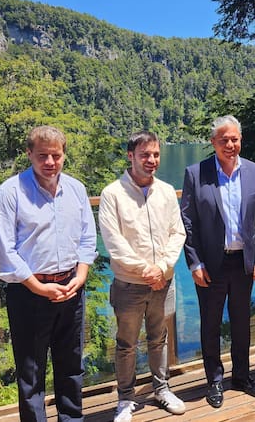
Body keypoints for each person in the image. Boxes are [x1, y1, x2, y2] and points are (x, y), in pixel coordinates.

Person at [0, 125, 98, 421]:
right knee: (31, 372)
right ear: (29, 154)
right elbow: (4, 249)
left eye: (56, 155)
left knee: (72, 365)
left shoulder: (76, 189)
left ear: (64, 155)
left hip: (71, 287)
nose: (50, 162)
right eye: (42, 156)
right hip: (29, 293)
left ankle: (72, 419)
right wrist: (38, 287)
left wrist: (82, 274)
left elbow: (88, 238)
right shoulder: (11, 192)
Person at [180, 115, 255, 408]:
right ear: (213, 142)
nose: (230, 145)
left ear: (240, 140)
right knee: (210, 324)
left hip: (243, 262)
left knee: (242, 322)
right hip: (210, 265)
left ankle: (242, 376)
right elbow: (188, 222)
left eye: (234, 139)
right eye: (224, 140)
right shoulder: (196, 173)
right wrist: (194, 263)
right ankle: (214, 380)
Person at [98, 130, 187, 422]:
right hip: (129, 284)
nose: (152, 160)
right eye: (145, 154)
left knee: (159, 339)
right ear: (131, 156)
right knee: (126, 343)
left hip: (164, 281)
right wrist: (145, 270)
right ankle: (125, 398)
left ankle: (161, 389)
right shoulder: (113, 194)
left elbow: (178, 233)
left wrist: (160, 268)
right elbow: (114, 242)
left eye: (156, 154)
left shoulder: (166, 191)